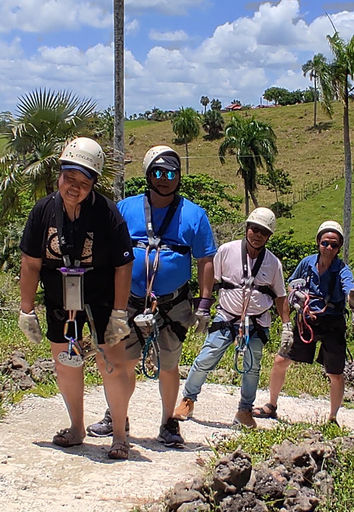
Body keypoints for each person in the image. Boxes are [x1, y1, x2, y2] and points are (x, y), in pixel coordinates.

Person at [86, 145, 217, 448]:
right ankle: (117, 416)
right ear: (147, 174)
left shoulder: (194, 215)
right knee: (123, 363)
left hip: (172, 304)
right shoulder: (125, 208)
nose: (164, 179)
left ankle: (167, 422)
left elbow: (205, 260)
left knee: (169, 365)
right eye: (157, 172)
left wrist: (205, 303)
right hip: (127, 301)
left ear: (179, 176)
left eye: (171, 173)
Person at [17, 137, 135, 460]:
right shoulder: (43, 212)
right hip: (59, 297)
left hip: (101, 296)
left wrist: (119, 314)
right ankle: (77, 427)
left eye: (84, 182)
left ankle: (120, 436)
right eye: (70, 178)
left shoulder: (107, 214)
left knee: (110, 363)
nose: (75, 187)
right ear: (60, 174)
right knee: (65, 362)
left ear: (93, 183)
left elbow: (124, 264)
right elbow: (30, 262)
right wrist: (26, 310)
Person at [173, 207, 291, 428]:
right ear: (247, 228)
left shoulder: (273, 263)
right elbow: (210, 279)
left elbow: (281, 296)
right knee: (206, 358)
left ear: (269, 236)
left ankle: (245, 410)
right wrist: (203, 307)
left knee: (252, 367)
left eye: (263, 232)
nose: (257, 235)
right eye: (254, 229)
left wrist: (287, 326)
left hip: (256, 322)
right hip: (227, 317)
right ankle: (188, 399)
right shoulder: (227, 251)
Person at [254, 221, 354, 423]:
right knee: (281, 360)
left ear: (339, 247)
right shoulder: (306, 263)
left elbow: (349, 289)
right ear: (318, 242)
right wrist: (295, 298)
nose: (329, 248)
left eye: (334, 245)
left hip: (333, 324)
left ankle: (333, 417)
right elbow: (290, 285)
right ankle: (271, 405)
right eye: (325, 243)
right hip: (305, 321)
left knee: (335, 373)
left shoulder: (342, 270)